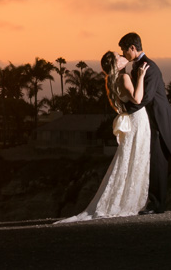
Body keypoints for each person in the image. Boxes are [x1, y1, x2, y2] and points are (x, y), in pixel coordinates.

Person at [56, 51, 151, 223]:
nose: (122, 56)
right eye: (118, 56)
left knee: (129, 159)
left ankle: (127, 199)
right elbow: (137, 99)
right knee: (136, 158)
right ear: (117, 64)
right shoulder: (123, 78)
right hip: (138, 120)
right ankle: (129, 202)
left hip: (133, 120)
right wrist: (142, 76)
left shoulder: (112, 80)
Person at [118, 31, 171, 214]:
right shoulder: (138, 66)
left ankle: (158, 205)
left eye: (124, 49)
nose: (123, 53)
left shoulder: (150, 67)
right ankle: (150, 202)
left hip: (159, 120)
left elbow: (146, 97)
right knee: (150, 162)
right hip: (148, 120)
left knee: (158, 163)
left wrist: (125, 111)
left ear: (132, 47)